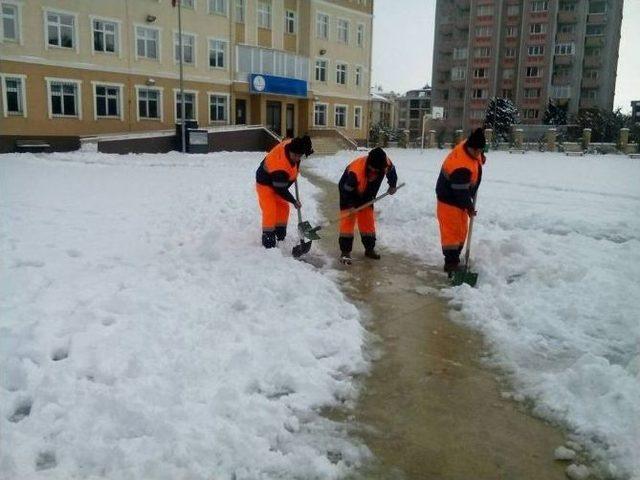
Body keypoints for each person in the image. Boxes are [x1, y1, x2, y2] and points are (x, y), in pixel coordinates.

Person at [435, 127, 486, 274]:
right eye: (476, 151)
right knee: (452, 233)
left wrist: (480, 157)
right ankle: (450, 264)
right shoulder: (460, 165)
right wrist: (469, 207)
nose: (478, 154)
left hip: (459, 200)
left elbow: (477, 158)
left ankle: (455, 259)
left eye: (480, 151)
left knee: (462, 230)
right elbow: (460, 191)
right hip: (449, 200)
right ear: (470, 147)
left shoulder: (469, 147)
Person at [338, 147, 398, 264]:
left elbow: (391, 171)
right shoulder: (355, 172)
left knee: (367, 222)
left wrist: (392, 185)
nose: (374, 174)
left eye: (377, 171)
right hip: (349, 193)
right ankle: (345, 252)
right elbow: (345, 191)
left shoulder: (385, 163)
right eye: (372, 170)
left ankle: (369, 249)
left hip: (367, 195)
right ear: (369, 165)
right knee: (348, 221)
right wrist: (350, 205)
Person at [255, 135, 313, 248]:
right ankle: (268, 239)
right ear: (290, 151)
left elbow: (300, 140)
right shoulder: (280, 165)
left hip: (279, 182)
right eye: (295, 155)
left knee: (283, 207)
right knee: (270, 209)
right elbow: (280, 189)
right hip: (265, 183)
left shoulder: (293, 143)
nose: (297, 158)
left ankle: (280, 234)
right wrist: (294, 200)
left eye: (299, 156)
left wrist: (307, 150)